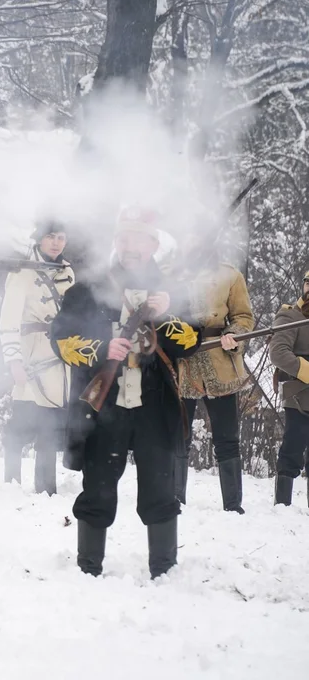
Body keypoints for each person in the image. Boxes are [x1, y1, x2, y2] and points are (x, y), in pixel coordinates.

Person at [50, 207, 200, 579]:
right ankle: (88, 569)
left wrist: (167, 313)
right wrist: (103, 348)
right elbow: (62, 340)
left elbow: (193, 340)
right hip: (104, 407)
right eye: (123, 237)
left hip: (154, 405)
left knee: (160, 488)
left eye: (138, 238)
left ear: (152, 244)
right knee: (98, 486)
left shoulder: (171, 290)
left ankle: (164, 570)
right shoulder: (90, 285)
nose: (129, 245)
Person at [176, 239, 253, 513]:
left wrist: (234, 334)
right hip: (181, 364)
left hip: (219, 362)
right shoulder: (170, 272)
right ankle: (175, 502)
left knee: (227, 438)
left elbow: (243, 316)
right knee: (178, 438)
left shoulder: (229, 274)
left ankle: (233, 506)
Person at [0, 220, 74, 495]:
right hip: (31, 352)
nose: (56, 242)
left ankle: (46, 488)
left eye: (61, 237)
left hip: (59, 356)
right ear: (39, 239)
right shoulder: (21, 272)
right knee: (21, 423)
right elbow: (8, 320)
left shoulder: (68, 272)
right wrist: (13, 361)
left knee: (50, 423)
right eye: (50, 236)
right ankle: (12, 481)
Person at [268, 270, 309, 506]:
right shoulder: (290, 315)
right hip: (299, 395)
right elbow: (279, 353)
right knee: (294, 445)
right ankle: (283, 505)